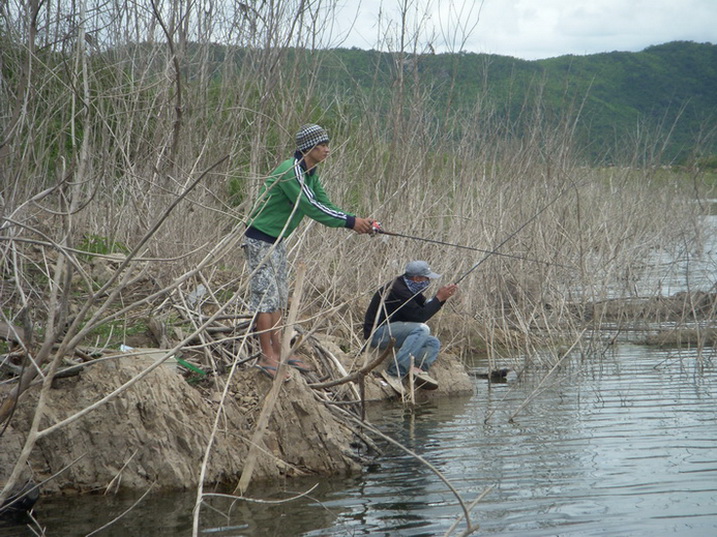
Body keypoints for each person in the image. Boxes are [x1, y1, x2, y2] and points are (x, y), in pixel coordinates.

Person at [244, 123, 374, 379]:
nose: (327, 149)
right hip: (260, 239)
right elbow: (312, 207)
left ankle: (282, 351)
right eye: (321, 146)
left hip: (277, 241)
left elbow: (324, 202)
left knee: (280, 298)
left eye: (326, 144)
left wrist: (358, 221)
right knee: (265, 299)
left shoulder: (311, 172)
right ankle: (266, 355)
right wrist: (350, 222)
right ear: (307, 149)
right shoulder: (291, 172)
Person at [363, 260, 458, 388]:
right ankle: (394, 373)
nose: (428, 282)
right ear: (417, 278)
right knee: (422, 329)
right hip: (377, 333)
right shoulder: (398, 289)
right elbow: (420, 317)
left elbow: (423, 308)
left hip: (393, 330)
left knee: (432, 343)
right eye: (427, 278)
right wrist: (438, 298)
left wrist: (440, 300)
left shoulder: (409, 288)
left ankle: (417, 369)